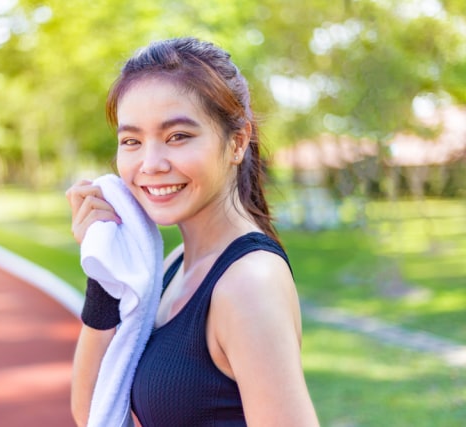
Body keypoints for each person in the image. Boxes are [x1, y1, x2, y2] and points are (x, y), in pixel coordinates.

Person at [66, 37, 319, 426]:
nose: (150, 164)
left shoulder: (248, 283)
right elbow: (92, 414)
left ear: (237, 142)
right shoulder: (174, 266)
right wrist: (104, 274)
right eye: (131, 141)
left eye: (177, 137)